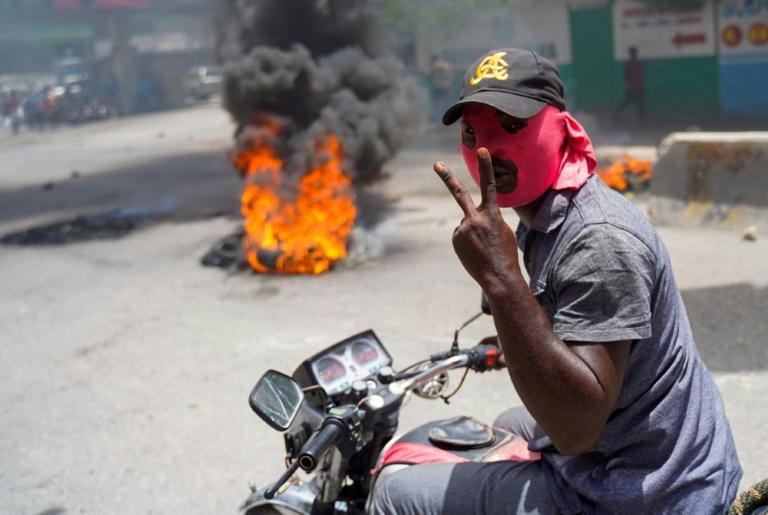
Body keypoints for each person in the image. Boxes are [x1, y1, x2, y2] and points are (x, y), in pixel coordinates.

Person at [370, 48, 741, 514]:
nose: (488, 149)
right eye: (472, 132)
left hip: (648, 492)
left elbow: (576, 429)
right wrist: (514, 333)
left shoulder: (598, 241)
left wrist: (502, 279)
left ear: (561, 128)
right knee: (509, 421)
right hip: (648, 449)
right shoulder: (552, 212)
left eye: (512, 126)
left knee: (396, 494)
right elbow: (570, 322)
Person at [618, 46, 646, 121]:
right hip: (635, 87)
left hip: (635, 87)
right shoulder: (634, 63)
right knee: (638, 104)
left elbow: (627, 77)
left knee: (635, 103)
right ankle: (642, 120)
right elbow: (628, 76)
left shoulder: (632, 63)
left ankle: (642, 119)